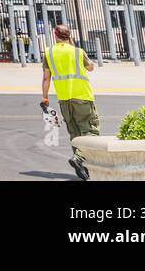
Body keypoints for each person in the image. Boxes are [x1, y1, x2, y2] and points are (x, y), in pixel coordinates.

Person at [41, 23, 98, 180]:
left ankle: (82, 165)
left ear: (55, 35)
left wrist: (44, 97)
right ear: (69, 35)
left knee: (74, 132)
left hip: (64, 99)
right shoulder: (78, 52)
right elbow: (91, 67)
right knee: (90, 130)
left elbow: (46, 77)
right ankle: (79, 158)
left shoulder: (49, 53)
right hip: (82, 97)